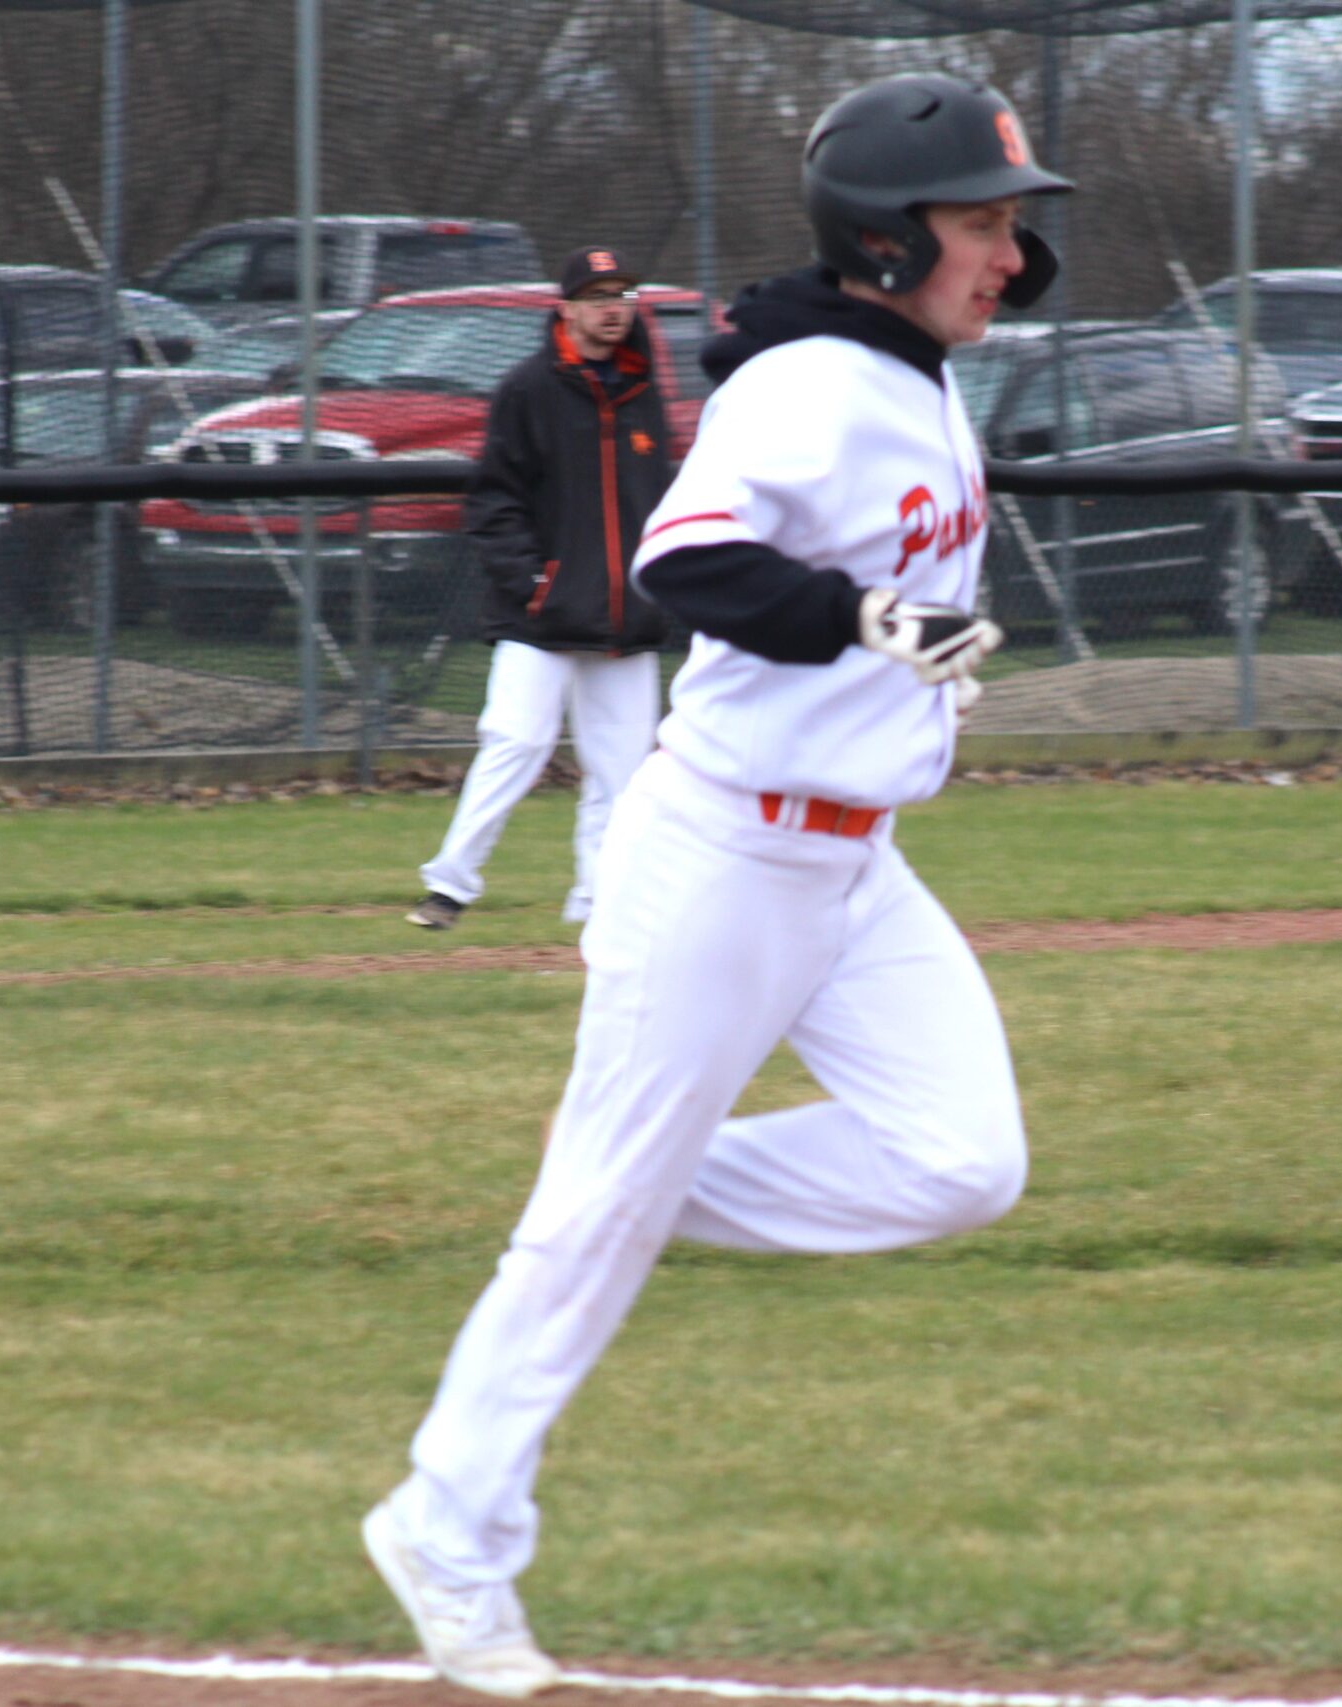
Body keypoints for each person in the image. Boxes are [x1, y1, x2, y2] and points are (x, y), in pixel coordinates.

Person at [360, 73, 1073, 1699]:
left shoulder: (912, 373)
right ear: (886, 240)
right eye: (980, 223)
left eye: (1010, 224)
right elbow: (683, 559)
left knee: (960, 1160)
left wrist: (897, 647)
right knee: (595, 1215)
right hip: (730, 853)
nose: (1009, 255)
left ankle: (618, 1189)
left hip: (856, 864)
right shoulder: (814, 384)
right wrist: (865, 620)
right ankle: (445, 1525)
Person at [408, 246, 673, 932]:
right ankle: (449, 886)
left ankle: (597, 906)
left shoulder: (643, 390)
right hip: (542, 615)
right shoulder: (529, 388)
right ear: (567, 309)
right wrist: (532, 581)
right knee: (515, 743)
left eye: (622, 295)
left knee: (622, 775)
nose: (613, 308)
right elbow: (494, 500)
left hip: (623, 618)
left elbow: (661, 499)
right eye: (597, 296)